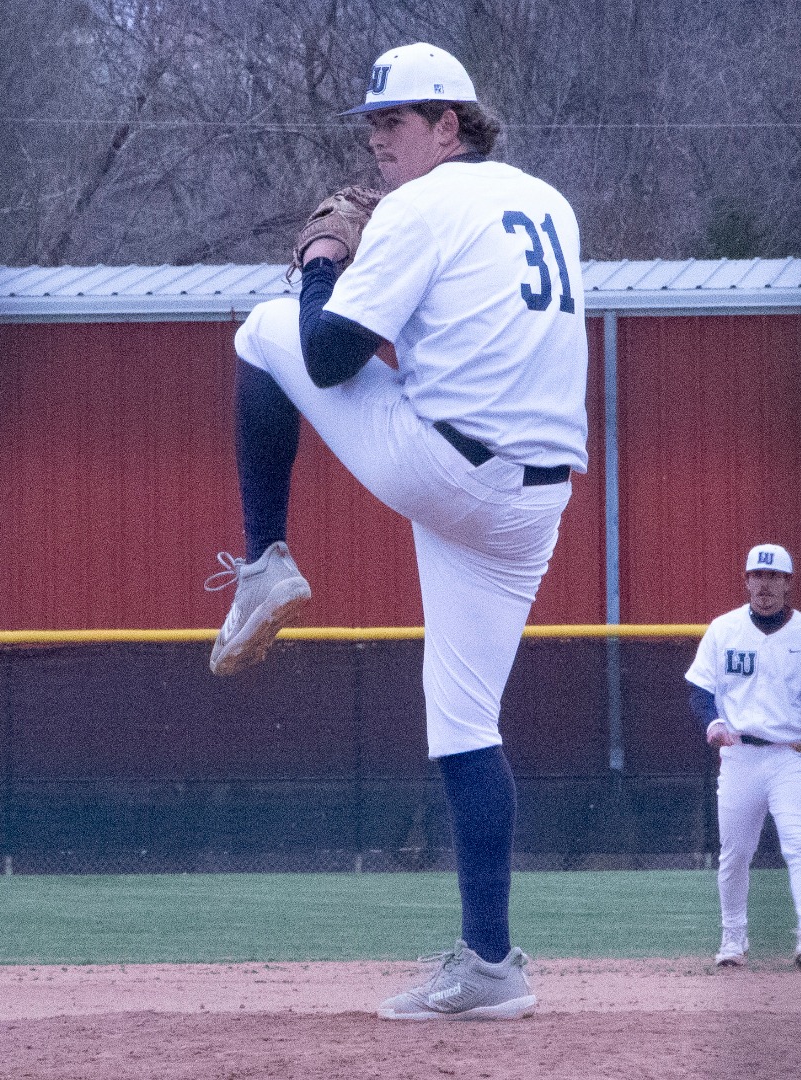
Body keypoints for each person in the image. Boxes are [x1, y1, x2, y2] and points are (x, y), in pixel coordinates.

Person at [206, 42, 587, 1021]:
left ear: (451, 126)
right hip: (534, 502)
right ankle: (494, 969)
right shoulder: (550, 203)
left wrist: (324, 264)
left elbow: (328, 358)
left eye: (400, 121)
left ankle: (263, 564)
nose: (379, 138)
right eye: (374, 122)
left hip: (451, 467)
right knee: (465, 724)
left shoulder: (426, 203)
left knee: (263, 331)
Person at [685, 543, 801, 969]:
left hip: (792, 756)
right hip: (740, 756)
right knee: (735, 853)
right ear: (746, 581)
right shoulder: (724, 629)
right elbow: (700, 690)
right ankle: (733, 939)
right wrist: (713, 723)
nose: (765, 584)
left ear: (789, 583)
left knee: (799, 845)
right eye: (757, 575)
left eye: (774, 576)